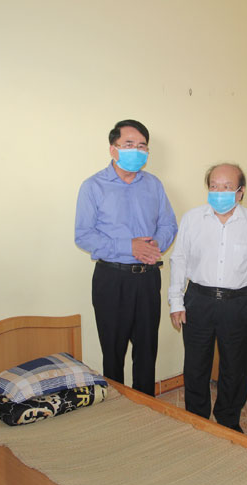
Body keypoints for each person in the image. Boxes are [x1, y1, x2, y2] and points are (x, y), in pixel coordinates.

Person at [75, 120, 178, 396]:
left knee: (146, 350)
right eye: (129, 144)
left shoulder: (154, 185)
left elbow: (169, 224)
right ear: (113, 149)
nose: (137, 150)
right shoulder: (93, 186)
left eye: (142, 146)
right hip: (112, 279)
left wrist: (155, 244)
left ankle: (146, 407)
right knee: (113, 351)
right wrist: (128, 246)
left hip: (147, 278)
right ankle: (117, 407)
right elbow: (83, 235)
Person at [169, 163, 247, 432]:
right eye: (214, 186)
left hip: (238, 303)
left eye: (227, 187)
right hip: (198, 300)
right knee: (195, 365)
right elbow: (179, 260)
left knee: (235, 367)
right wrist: (176, 302)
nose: (219, 192)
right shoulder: (192, 219)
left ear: (240, 191)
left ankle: (228, 420)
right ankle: (197, 419)